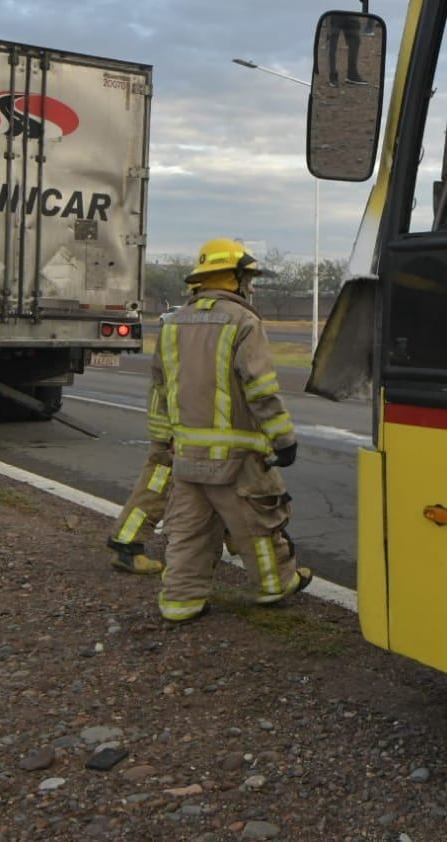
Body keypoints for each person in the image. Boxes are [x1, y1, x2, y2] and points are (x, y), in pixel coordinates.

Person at [154, 238, 311, 622]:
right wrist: (284, 439)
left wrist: (164, 442)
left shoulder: (172, 324)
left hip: (187, 455)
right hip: (236, 455)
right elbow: (259, 387)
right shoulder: (243, 321)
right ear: (234, 278)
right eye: (249, 279)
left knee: (189, 530)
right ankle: (275, 586)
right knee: (256, 524)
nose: (252, 287)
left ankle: (180, 602)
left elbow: (161, 389)